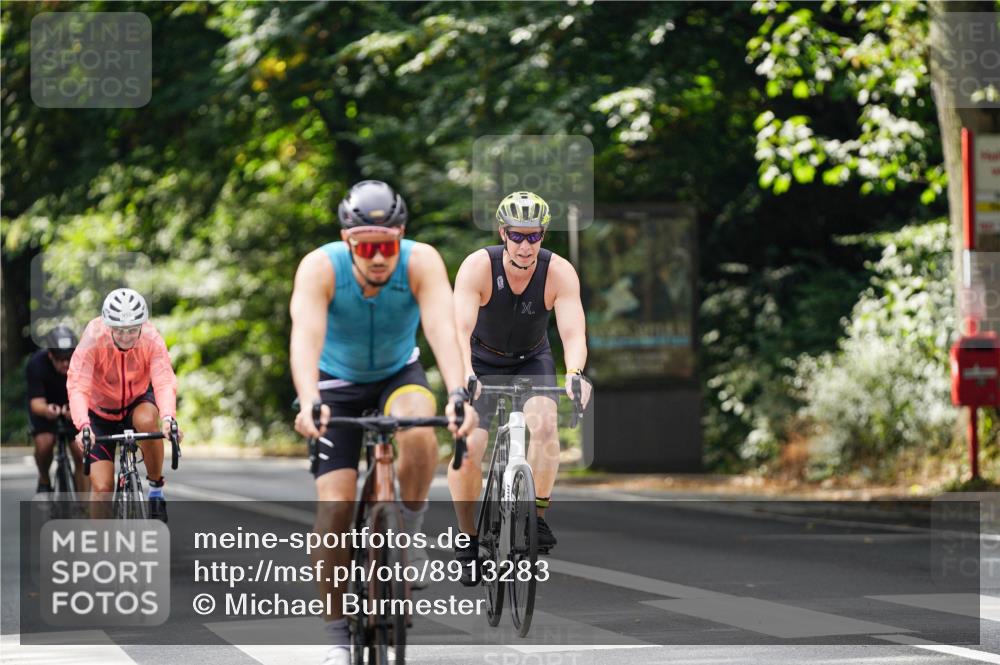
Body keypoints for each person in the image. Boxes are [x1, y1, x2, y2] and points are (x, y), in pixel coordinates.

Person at [289, 180, 478, 665]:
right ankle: (335, 634)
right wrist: (309, 400)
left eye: (387, 245)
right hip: (336, 383)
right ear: (346, 240)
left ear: (402, 236)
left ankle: (408, 531)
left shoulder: (421, 262)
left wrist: (458, 393)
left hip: (398, 373)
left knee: (418, 425)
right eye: (366, 246)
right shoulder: (320, 267)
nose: (378, 258)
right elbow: (306, 337)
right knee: (334, 507)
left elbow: (439, 327)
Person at [448, 191, 591, 582]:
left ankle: (537, 517)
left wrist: (576, 373)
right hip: (481, 359)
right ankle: (467, 538)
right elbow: (458, 328)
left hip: (532, 358)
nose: (525, 245)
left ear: (543, 234)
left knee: (545, 425)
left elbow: (573, 332)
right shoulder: (479, 266)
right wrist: (464, 373)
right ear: (503, 233)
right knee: (471, 445)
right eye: (517, 235)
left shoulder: (558, 271)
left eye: (534, 236)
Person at [68, 288, 183, 522]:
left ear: (142, 324)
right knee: (101, 488)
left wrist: (169, 418)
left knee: (148, 421)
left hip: (136, 402)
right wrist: (83, 427)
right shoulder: (93, 337)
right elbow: (78, 385)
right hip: (99, 413)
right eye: (119, 331)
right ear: (108, 325)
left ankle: (156, 490)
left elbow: (163, 379)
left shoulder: (151, 337)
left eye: (133, 330)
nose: (126, 337)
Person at [26, 325, 83, 494]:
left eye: (69, 358)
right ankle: (44, 479)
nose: (66, 363)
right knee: (44, 444)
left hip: (75, 407)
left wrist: (76, 410)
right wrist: (47, 410)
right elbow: (36, 403)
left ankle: (84, 506)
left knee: (82, 453)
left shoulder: (83, 362)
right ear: (50, 355)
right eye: (60, 359)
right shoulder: (36, 363)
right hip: (45, 406)